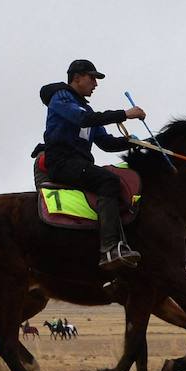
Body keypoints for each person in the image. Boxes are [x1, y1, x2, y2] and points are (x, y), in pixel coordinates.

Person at [37, 59, 146, 271]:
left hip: (79, 163)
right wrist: (125, 114)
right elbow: (83, 119)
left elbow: (105, 143)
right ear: (77, 78)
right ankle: (110, 249)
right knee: (109, 181)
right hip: (61, 162)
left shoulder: (86, 108)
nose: (95, 84)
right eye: (92, 78)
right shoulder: (61, 98)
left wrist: (133, 142)